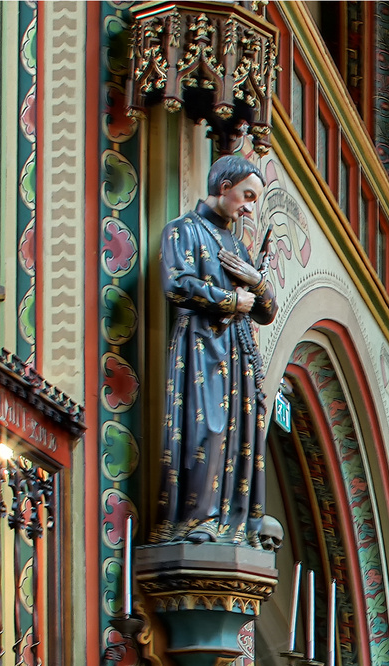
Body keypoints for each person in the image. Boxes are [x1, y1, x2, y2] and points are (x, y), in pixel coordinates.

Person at [155, 155, 279, 546]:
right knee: (206, 429)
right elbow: (177, 284)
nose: (248, 206)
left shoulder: (236, 246)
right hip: (203, 347)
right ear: (223, 187)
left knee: (244, 433)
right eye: (245, 195)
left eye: (254, 199)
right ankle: (198, 518)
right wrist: (230, 299)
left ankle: (236, 520)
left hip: (239, 354)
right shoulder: (183, 230)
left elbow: (267, 311)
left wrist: (257, 282)